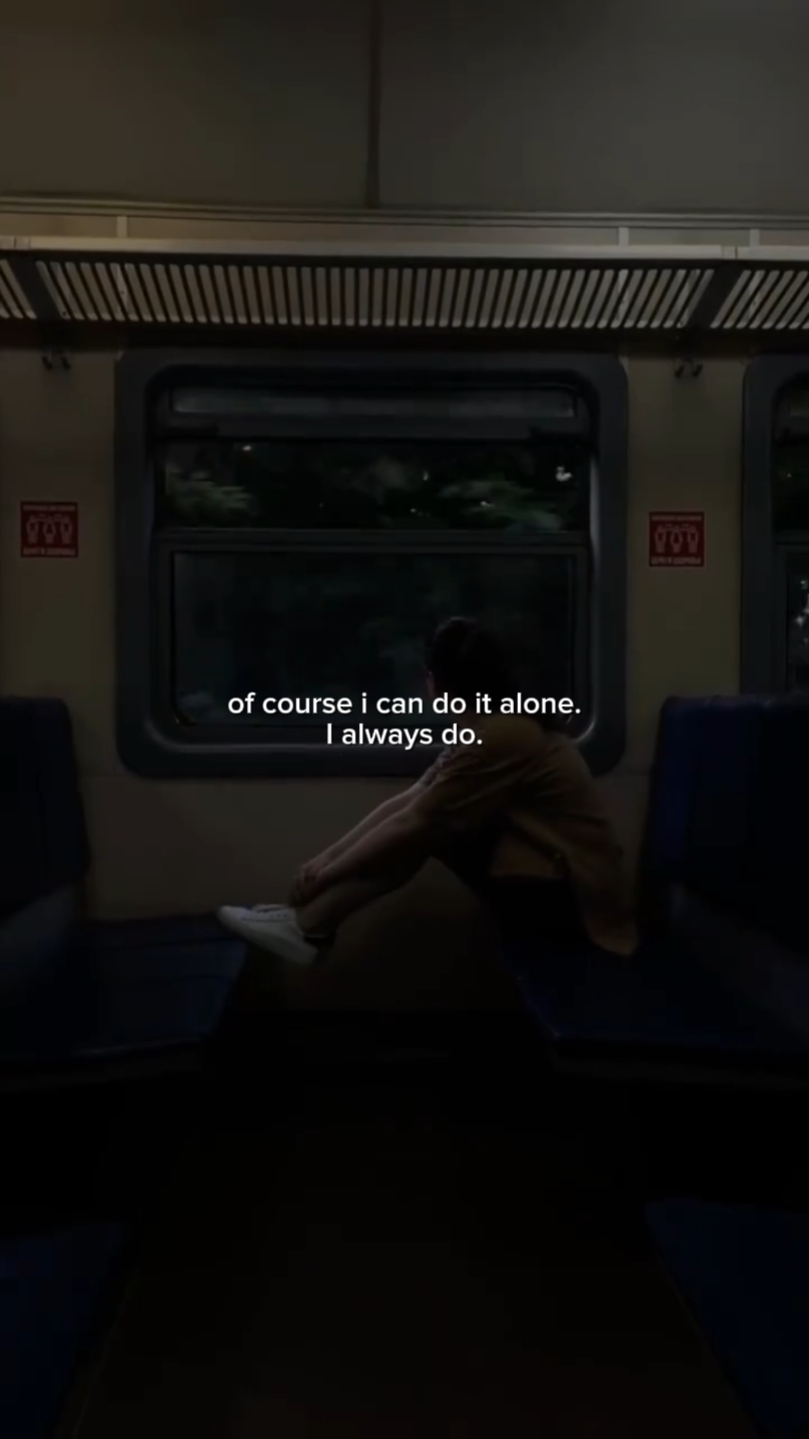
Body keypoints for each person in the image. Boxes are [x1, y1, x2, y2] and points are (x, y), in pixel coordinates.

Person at [217, 618, 638, 964]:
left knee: (430, 828)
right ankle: (307, 923)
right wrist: (325, 861)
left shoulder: (503, 734)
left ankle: (310, 927)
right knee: (429, 821)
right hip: (551, 879)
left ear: (436, 682)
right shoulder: (487, 726)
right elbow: (412, 798)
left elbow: (416, 818)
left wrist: (326, 876)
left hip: (574, 901)